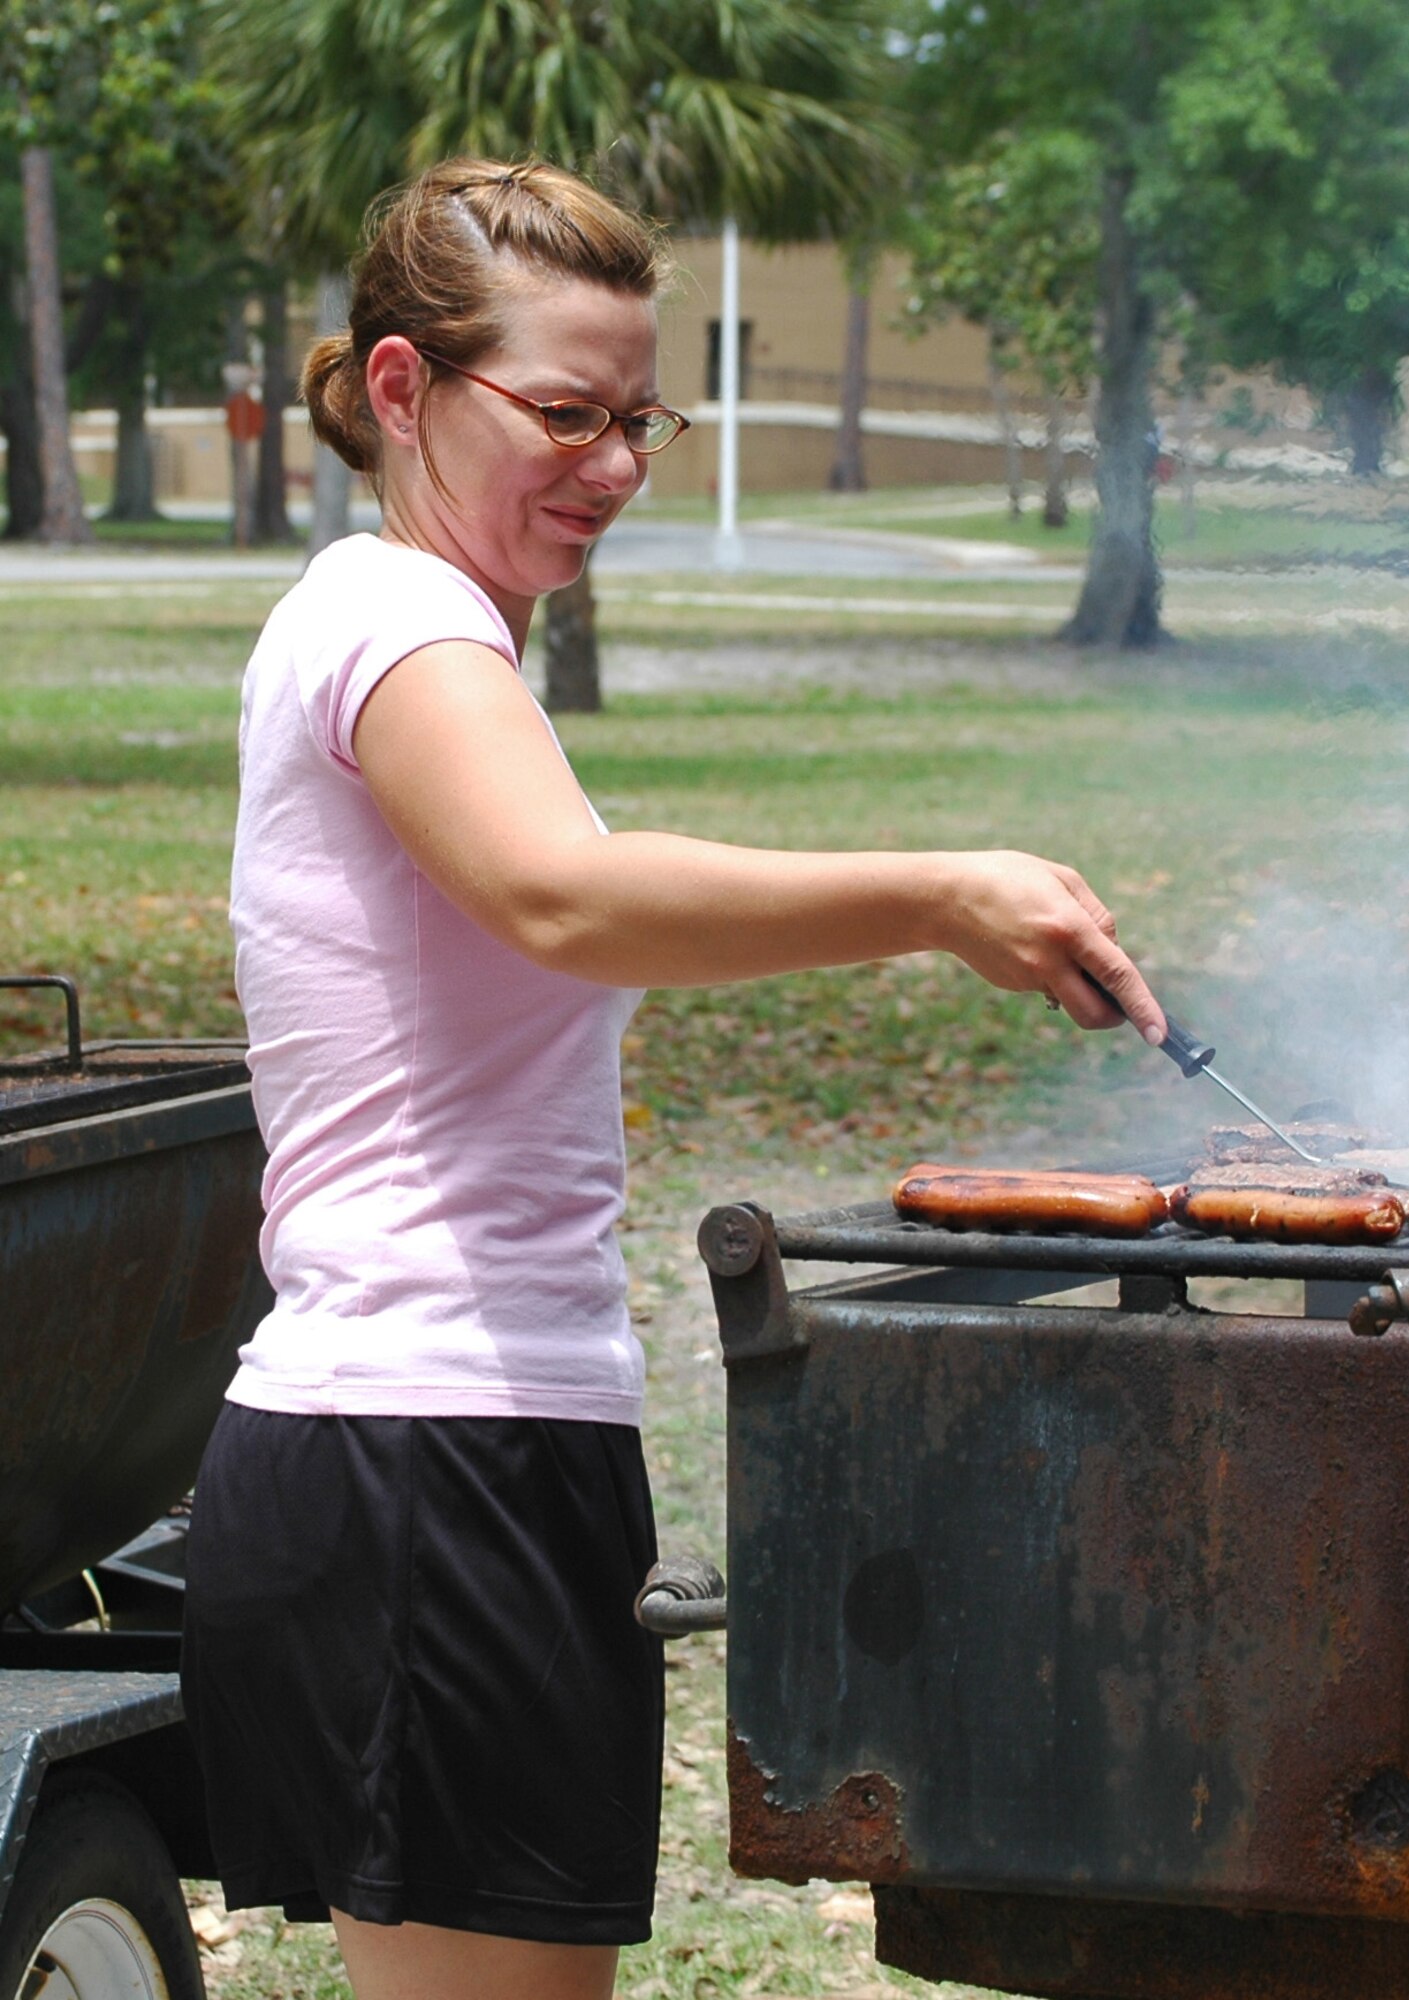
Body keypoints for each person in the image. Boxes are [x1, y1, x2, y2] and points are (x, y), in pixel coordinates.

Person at [181, 155, 1167, 2000]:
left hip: (467, 1442)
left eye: (640, 417)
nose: (616, 464)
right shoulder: (392, 624)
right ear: (402, 391)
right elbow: (562, 897)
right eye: (563, 413)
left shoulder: (421, 631)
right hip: (422, 1448)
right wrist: (936, 892)